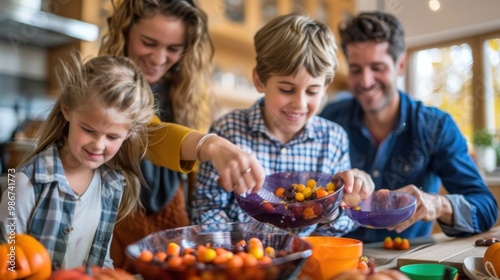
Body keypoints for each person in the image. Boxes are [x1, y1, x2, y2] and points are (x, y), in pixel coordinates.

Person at [320, 11, 498, 243]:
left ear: (401, 64)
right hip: (339, 259)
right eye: (356, 69)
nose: (365, 81)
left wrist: (437, 204)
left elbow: (485, 209)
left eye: (377, 67)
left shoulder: (436, 127)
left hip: (406, 262)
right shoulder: (330, 119)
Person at [191, 13, 375, 237]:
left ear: (325, 88)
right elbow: (205, 210)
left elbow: (343, 224)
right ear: (260, 80)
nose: (299, 103)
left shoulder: (333, 138)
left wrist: (333, 208)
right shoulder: (228, 132)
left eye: (312, 91)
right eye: (286, 89)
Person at [98, 0, 229, 269]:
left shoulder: (186, 93)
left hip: (171, 247)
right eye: (148, 42)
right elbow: (149, 132)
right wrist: (210, 145)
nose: (159, 59)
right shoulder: (101, 84)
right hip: (114, 243)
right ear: (125, 32)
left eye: (173, 49)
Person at [0, 54, 157, 269]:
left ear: (129, 133)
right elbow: (7, 263)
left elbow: (102, 260)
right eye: (88, 130)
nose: (98, 145)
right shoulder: (24, 183)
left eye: (112, 137)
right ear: (67, 110)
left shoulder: (112, 185)